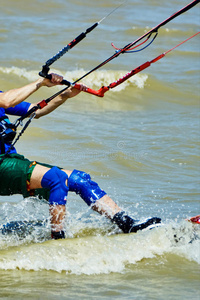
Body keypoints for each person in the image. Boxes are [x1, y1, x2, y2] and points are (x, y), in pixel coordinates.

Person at [0, 74, 161, 239]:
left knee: (79, 179)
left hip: (10, 162)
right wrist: (41, 82)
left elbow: (36, 110)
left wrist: (65, 95)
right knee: (57, 178)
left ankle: (128, 224)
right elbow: (6, 101)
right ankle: (57, 240)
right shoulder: (3, 99)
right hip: (2, 166)